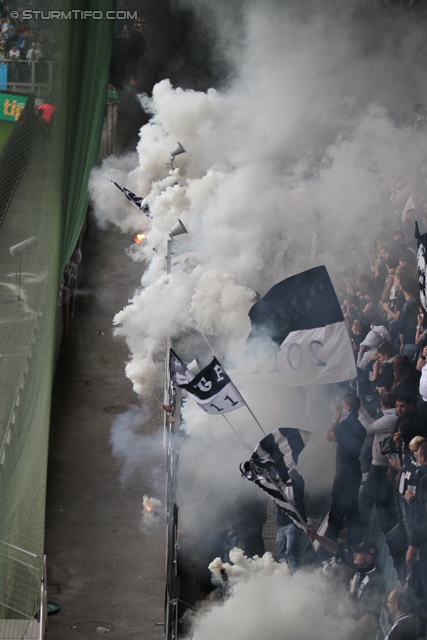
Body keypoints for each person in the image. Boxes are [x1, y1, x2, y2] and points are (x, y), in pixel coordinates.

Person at [306, 531, 385, 640]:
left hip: (357, 624)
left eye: (359, 553)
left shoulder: (375, 580)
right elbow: (335, 548)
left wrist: (349, 632)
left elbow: (370, 616)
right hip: (346, 612)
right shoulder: (358, 564)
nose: (354, 554)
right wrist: (316, 536)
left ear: (368, 558)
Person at [326, 394, 366, 544]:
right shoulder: (361, 427)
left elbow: (329, 436)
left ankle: (328, 548)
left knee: (336, 511)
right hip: (355, 472)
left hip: (343, 474)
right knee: (352, 510)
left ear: (347, 408)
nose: (341, 408)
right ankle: (356, 544)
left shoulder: (344, 425)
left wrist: (336, 417)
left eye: (343, 406)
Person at [358, 393, 398, 534]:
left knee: (366, 499)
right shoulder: (391, 418)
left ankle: (358, 531)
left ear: (384, 405)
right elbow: (373, 424)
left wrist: (360, 410)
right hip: (383, 464)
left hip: (380, 465)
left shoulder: (389, 419)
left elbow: (369, 428)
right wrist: (362, 409)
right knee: (385, 500)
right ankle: (388, 531)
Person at [275, 468, 306, 573]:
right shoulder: (276, 483)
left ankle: (296, 577)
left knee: (291, 551)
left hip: (294, 523)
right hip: (281, 524)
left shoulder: (297, 480)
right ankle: (285, 577)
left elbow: (295, 476)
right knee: (282, 554)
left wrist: (291, 474)